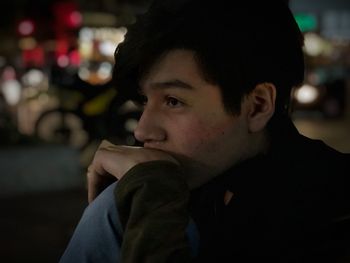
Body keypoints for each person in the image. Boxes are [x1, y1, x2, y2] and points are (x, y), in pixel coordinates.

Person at [60, 0, 350, 262]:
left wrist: (153, 201)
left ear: (258, 106)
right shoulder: (186, 192)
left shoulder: (330, 210)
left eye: (173, 101)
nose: (142, 130)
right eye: (145, 101)